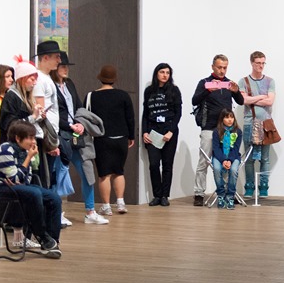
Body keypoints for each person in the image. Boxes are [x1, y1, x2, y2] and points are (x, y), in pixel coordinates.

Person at [0, 119, 63, 258]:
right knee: (34, 193)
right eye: (30, 138)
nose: (33, 141)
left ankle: (52, 241)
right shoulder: (5, 150)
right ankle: (43, 237)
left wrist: (19, 176)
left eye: (34, 138)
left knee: (54, 198)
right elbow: (15, 178)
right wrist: (27, 159)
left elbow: (25, 178)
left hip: (18, 187)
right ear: (18, 138)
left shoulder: (24, 151)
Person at [54, 54, 108, 225]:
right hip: (60, 134)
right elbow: (52, 114)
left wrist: (80, 123)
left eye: (67, 66)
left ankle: (90, 211)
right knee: (59, 174)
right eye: (62, 66)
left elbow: (78, 106)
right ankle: (57, 213)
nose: (66, 69)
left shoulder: (69, 83)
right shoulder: (49, 85)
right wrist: (69, 125)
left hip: (76, 134)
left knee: (87, 171)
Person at [191, 54, 244, 206]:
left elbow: (240, 102)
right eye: (219, 67)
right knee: (204, 161)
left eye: (225, 68)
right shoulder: (205, 83)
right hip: (209, 127)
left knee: (226, 160)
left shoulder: (229, 84)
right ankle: (199, 194)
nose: (222, 70)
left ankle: (227, 193)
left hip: (226, 129)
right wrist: (208, 90)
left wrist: (236, 91)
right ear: (213, 67)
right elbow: (194, 100)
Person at [86, 65, 135, 216]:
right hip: (121, 138)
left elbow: (85, 117)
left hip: (102, 138)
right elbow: (130, 118)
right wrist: (131, 136)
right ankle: (120, 203)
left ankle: (106, 206)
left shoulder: (92, 96)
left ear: (100, 78)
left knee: (104, 174)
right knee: (119, 172)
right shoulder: (123, 95)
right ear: (114, 79)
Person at [141, 63, 182, 206]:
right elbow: (146, 114)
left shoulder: (174, 90)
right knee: (153, 164)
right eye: (162, 72)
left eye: (168, 73)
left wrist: (171, 131)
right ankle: (156, 195)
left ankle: (165, 195)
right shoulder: (149, 91)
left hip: (169, 130)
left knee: (167, 164)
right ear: (156, 73)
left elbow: (178, 113)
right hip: (153, 130)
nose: (165, 75)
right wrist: (144, 132)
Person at [239, 50, 276, 198]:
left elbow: (270, 101)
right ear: (252, 63)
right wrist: (261, 97)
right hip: (250, 122)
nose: (261, 66)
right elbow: (243, 100)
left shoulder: (270, 81)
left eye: (263, 63)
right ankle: (249, 187)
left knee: (265, 158)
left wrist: (252, 98)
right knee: (249, 158)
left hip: (266, 123)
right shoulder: (243, 81)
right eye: (258, 63)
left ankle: (264, 187)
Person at [33, 41, 64, 192]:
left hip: (50, 133)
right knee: (44, 178)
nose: (59, 60)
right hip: (45, 135)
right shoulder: (39, 79)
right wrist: (48, 141)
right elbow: (40, 112)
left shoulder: (46, 78)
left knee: (49, 177)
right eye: (56, 57)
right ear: (45, 58)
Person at [211, 109, 242, 209]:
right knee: (216, 169)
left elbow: (236, 148)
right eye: (227, 117)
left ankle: (230, 196)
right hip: (219, 156)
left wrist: (230, 160)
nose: (230, 120)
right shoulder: (216, 131)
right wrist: (223, 160)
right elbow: (216, 148)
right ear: (222, 119)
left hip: (233, 156)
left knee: (233, 170)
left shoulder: (238, 132)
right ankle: (221, 195)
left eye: (231, 117)